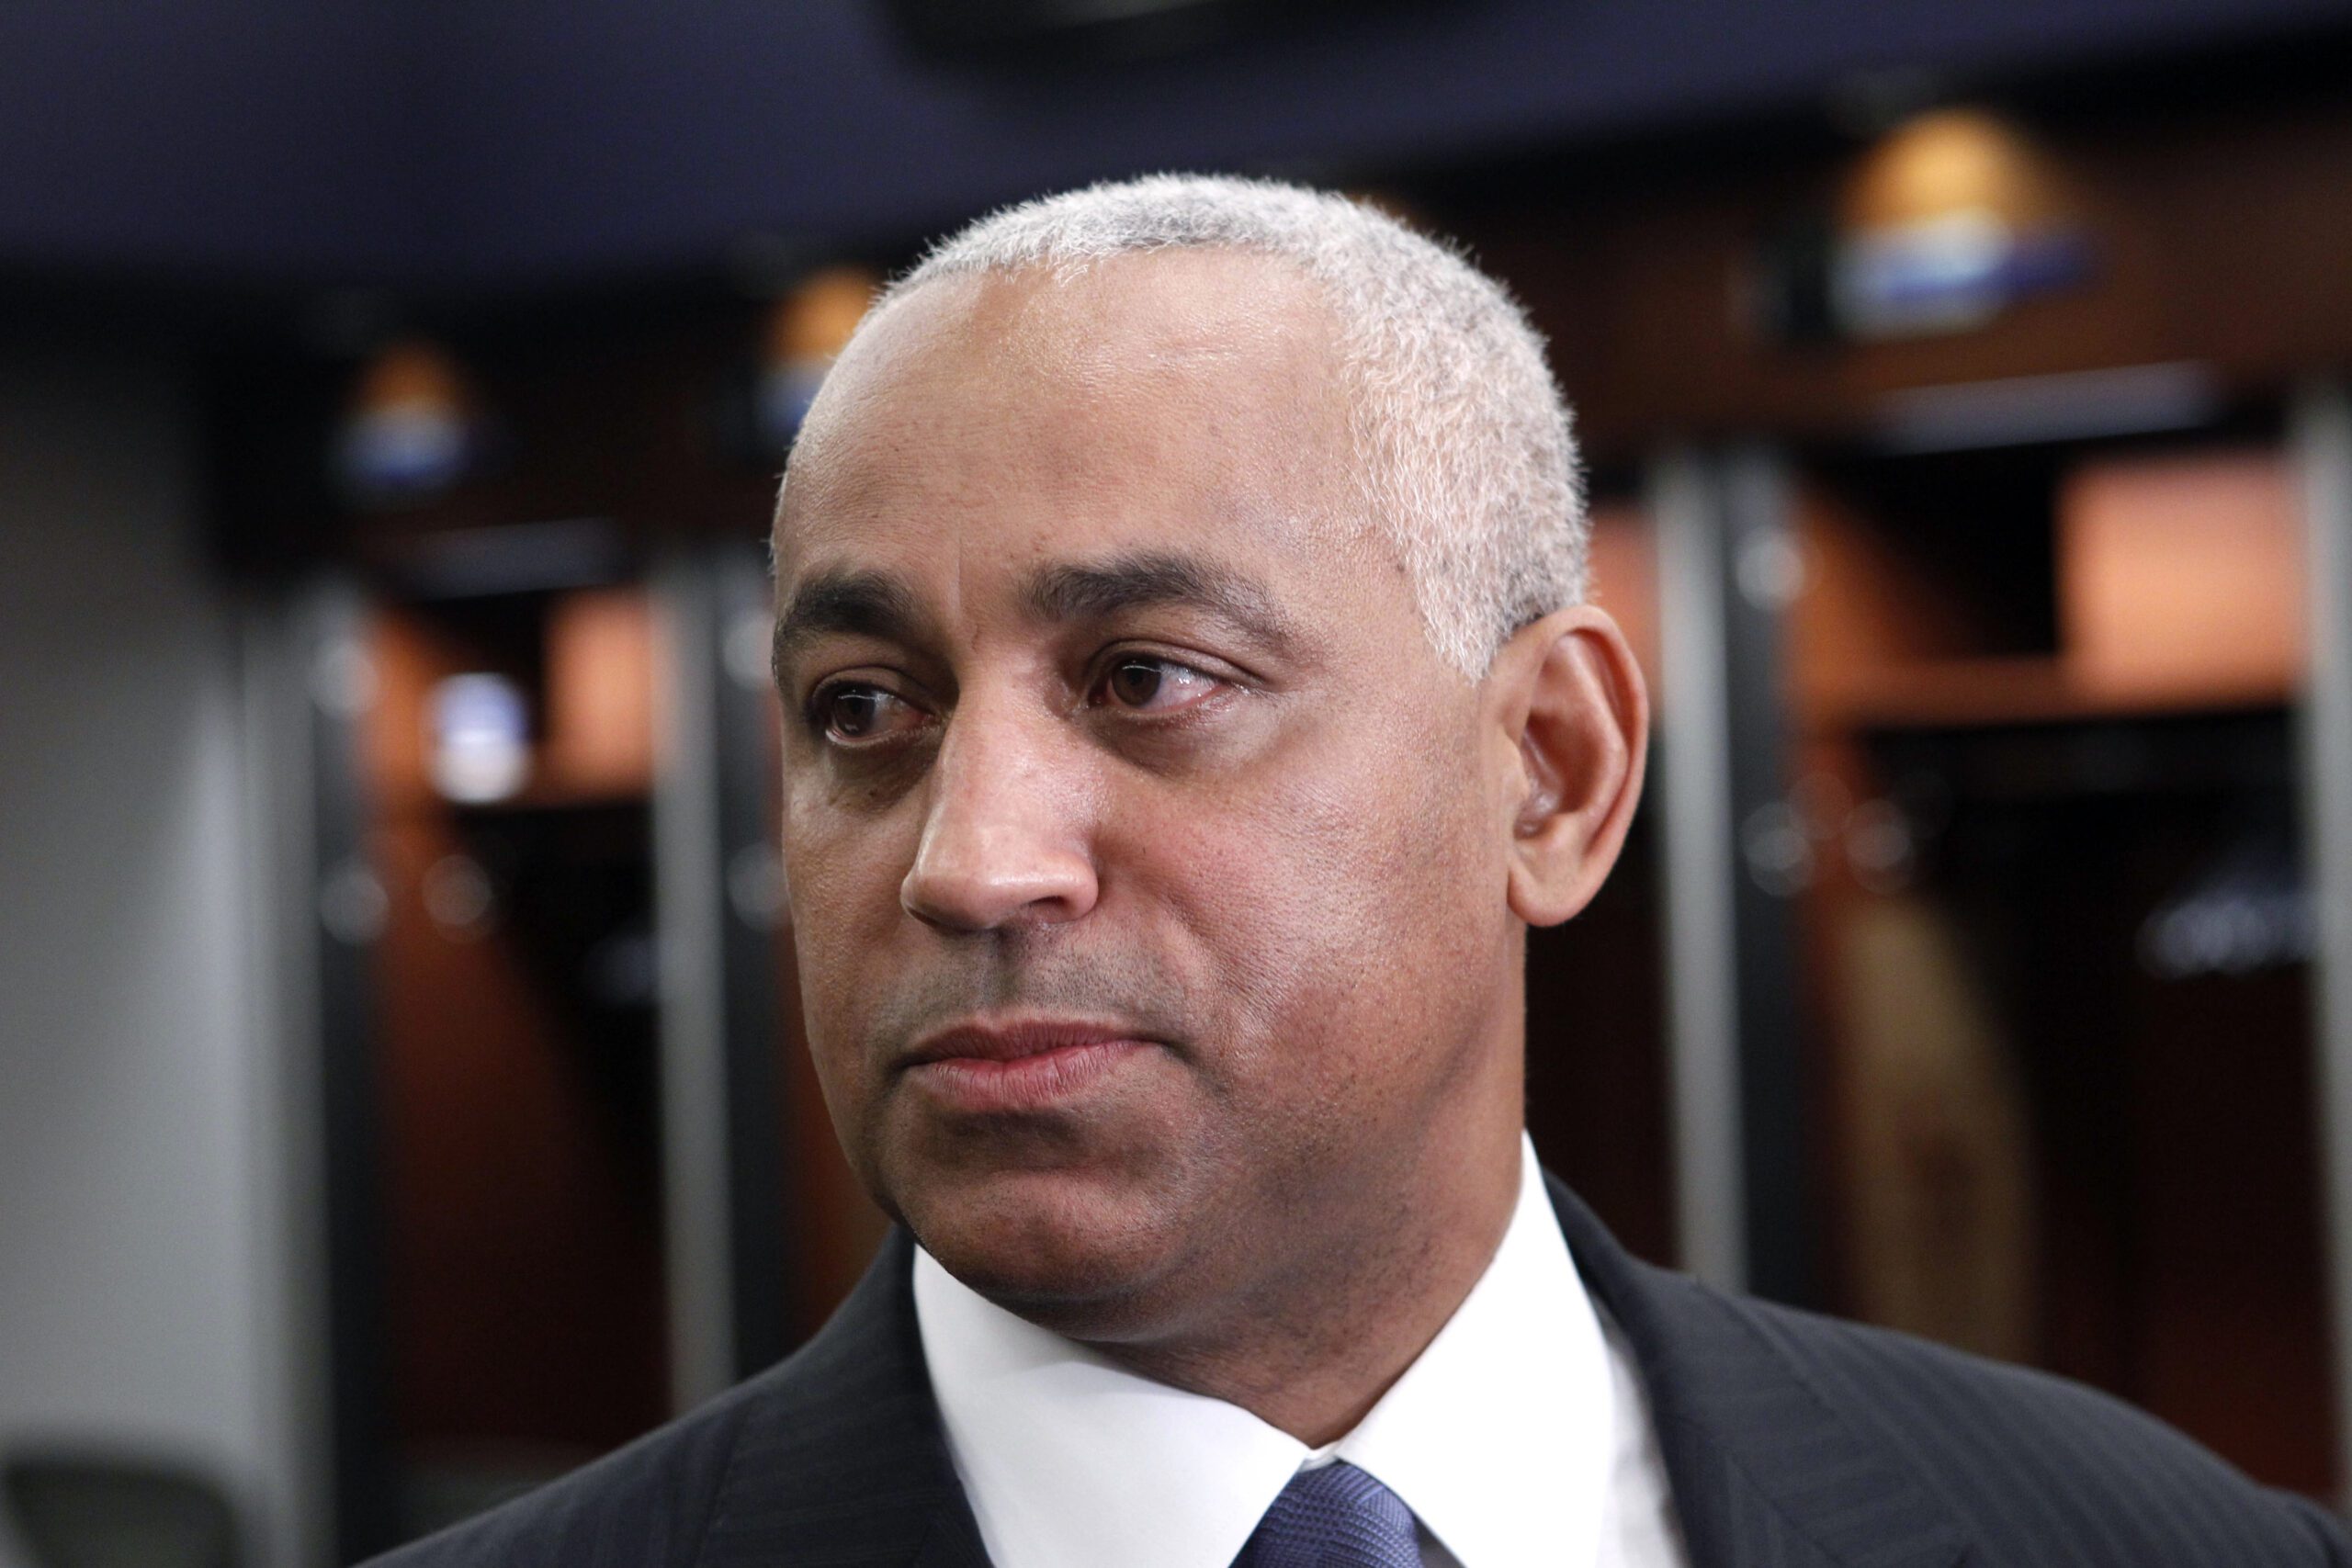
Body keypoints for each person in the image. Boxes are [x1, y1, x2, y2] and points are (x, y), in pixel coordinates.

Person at [369, 175, 2350, 1567]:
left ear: (1551, 772)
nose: (971, 864)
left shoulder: (2159, 1542)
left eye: (1150, 680)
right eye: (865, 710)